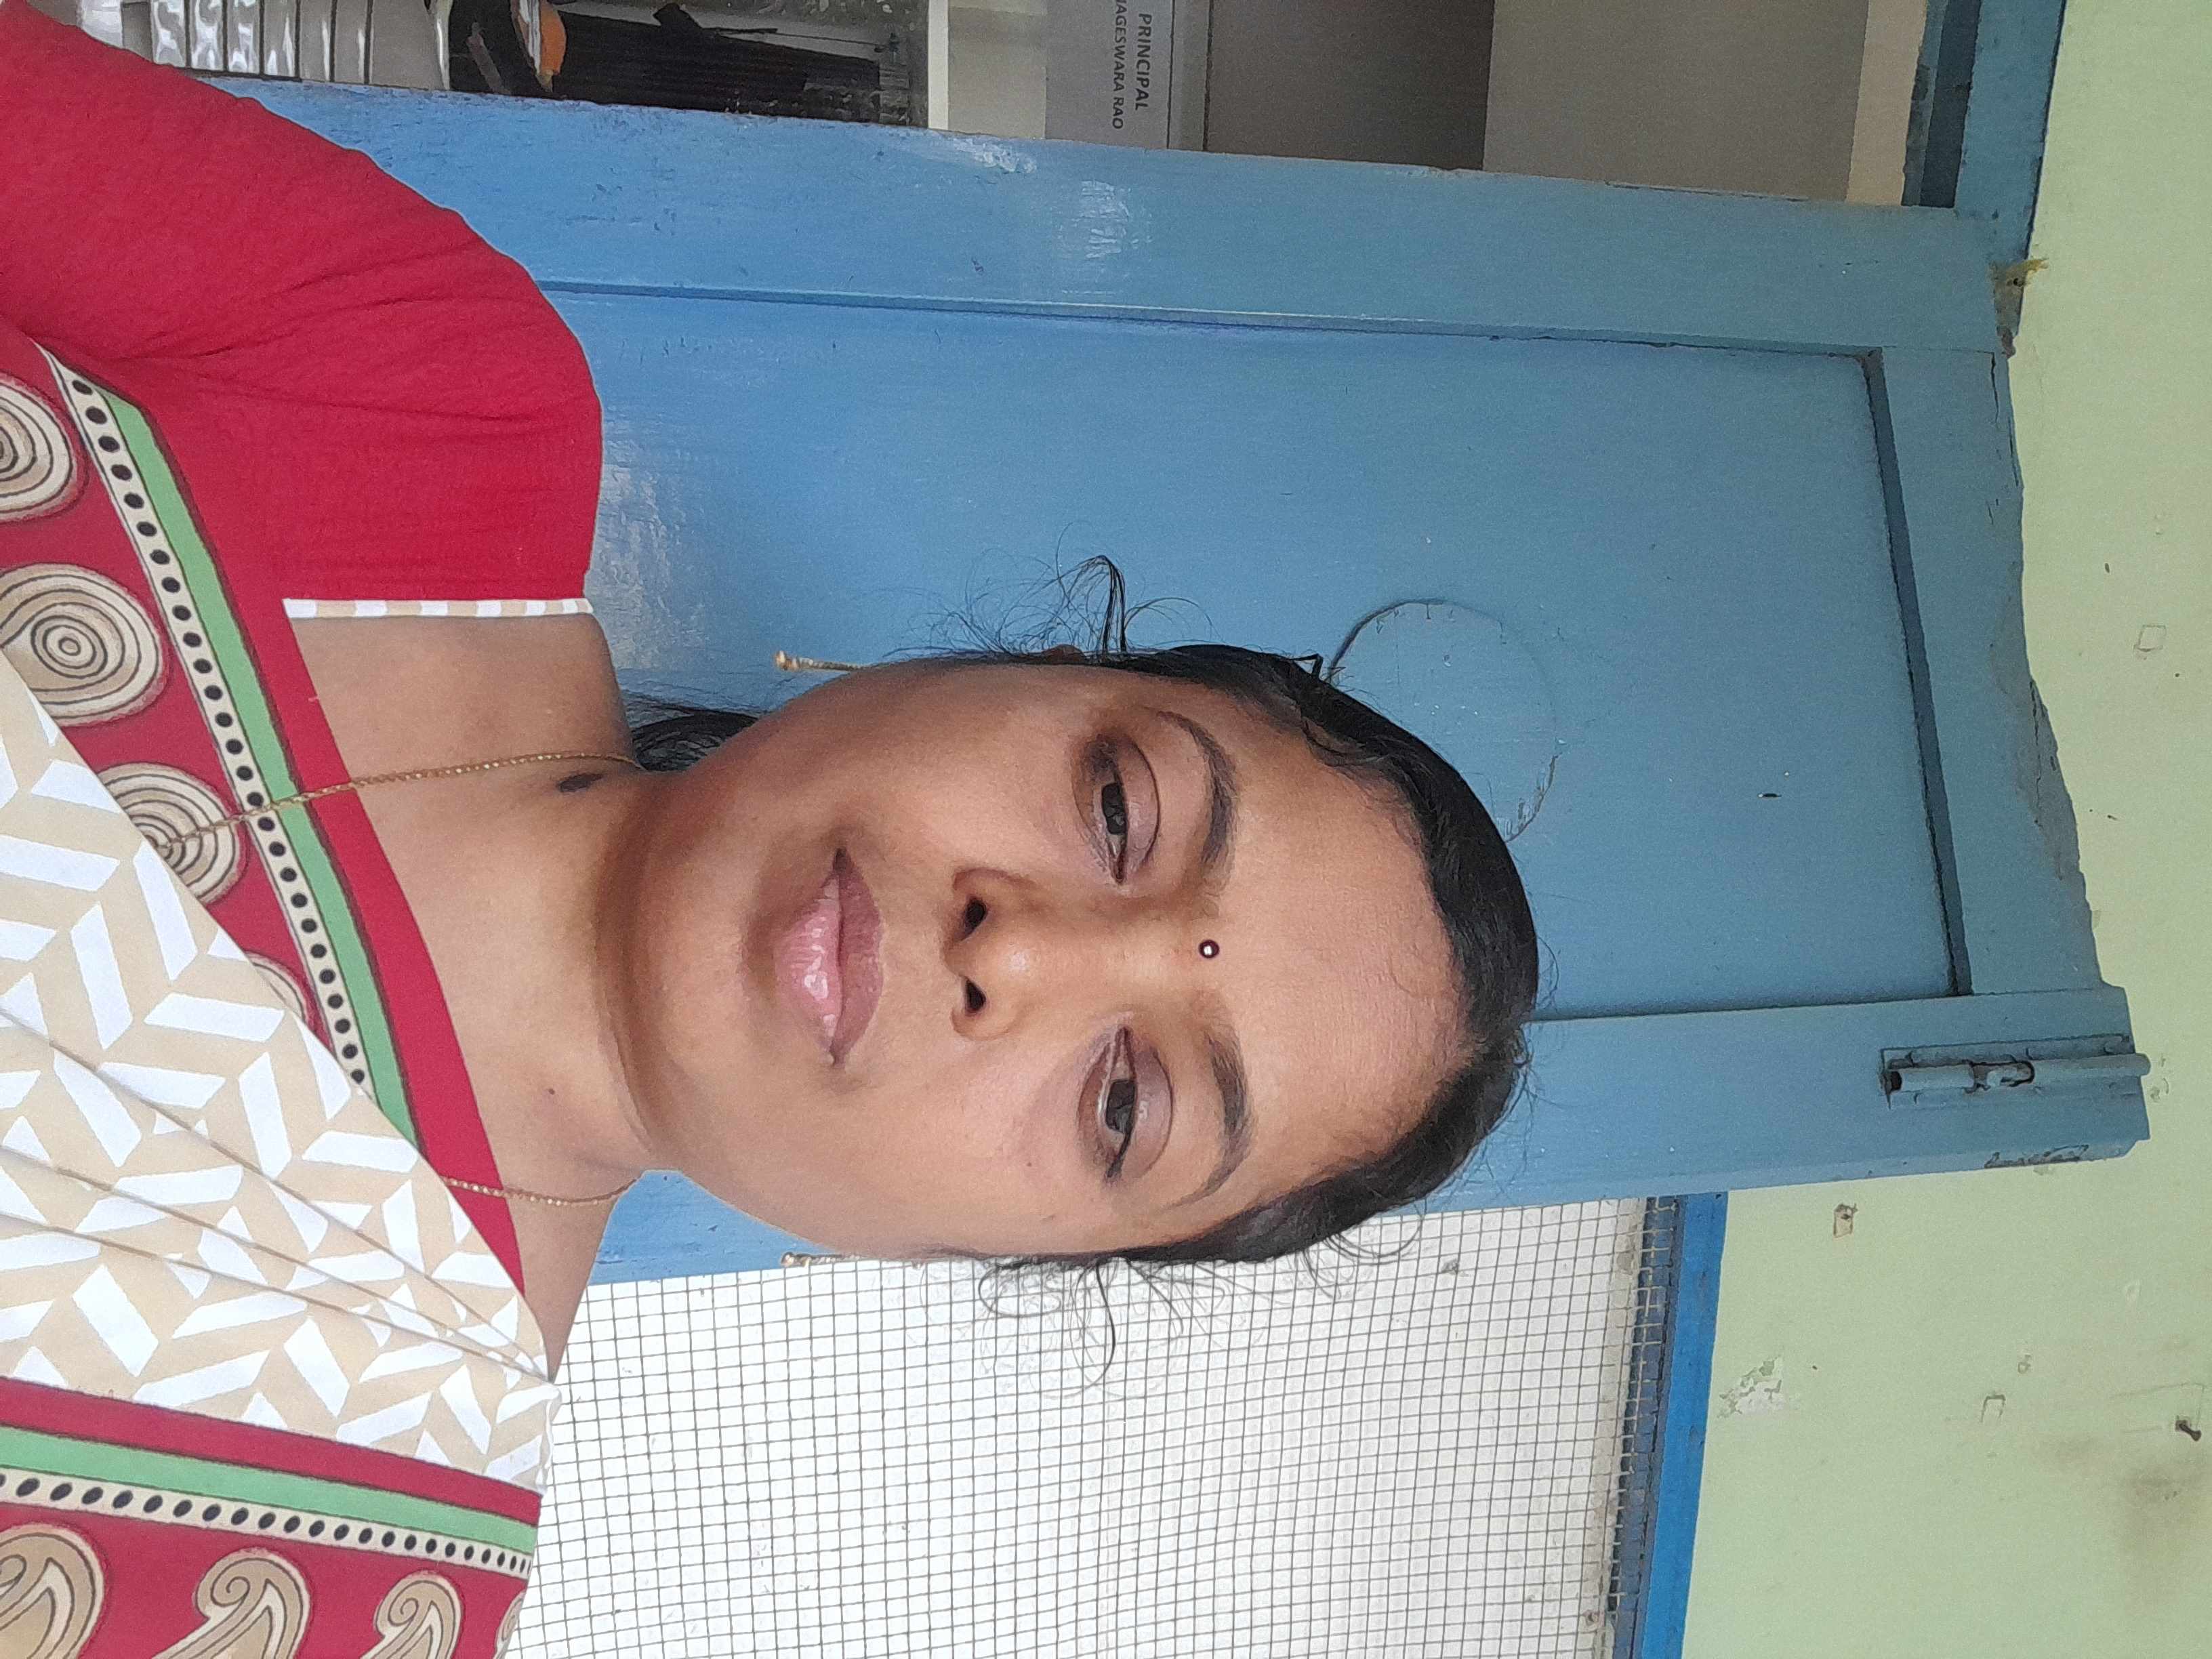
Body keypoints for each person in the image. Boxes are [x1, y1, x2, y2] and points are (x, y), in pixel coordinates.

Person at [0, 6, 1537, 1651]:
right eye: (1119, 809)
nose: (1017, 949)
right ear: (1018, 666)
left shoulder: (319, 1577)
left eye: (1125, 1100)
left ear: (991, 1252)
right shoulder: (419, 396)